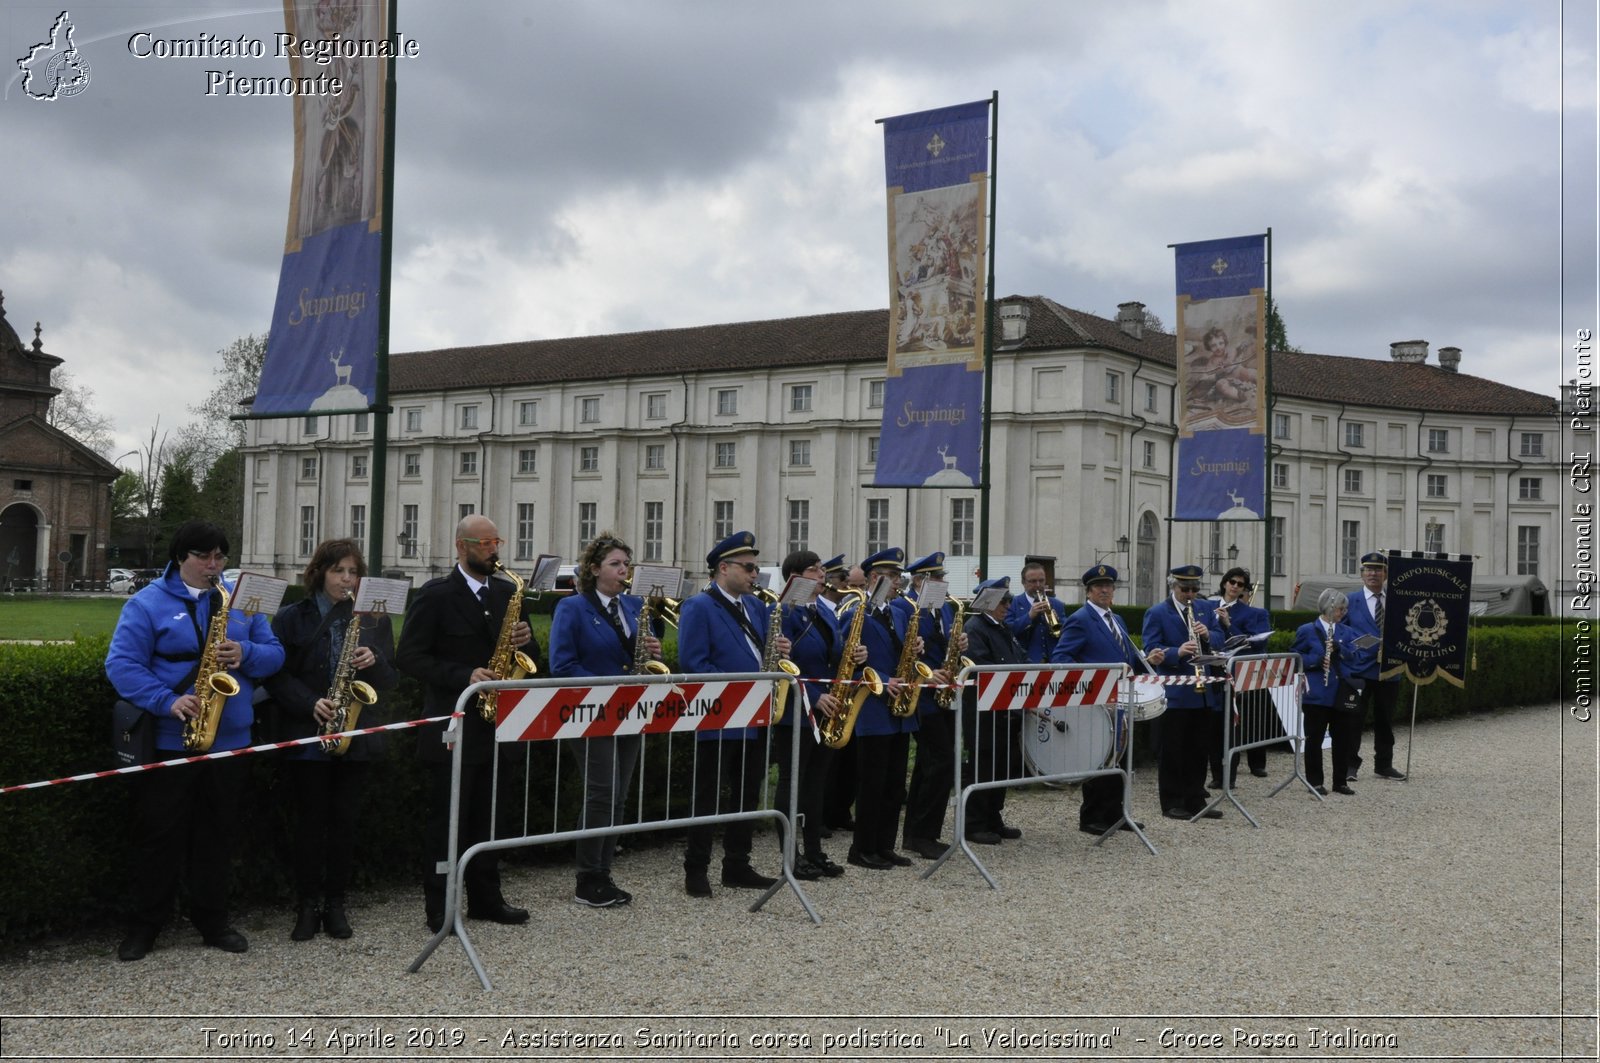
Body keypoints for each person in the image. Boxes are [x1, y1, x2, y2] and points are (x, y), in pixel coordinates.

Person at [105, 520, 285, 961]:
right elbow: (122, 664)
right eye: (204, 557)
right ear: (180, 559)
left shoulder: (239, 599)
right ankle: (146, 925)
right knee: (158, 837)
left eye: (220, 557)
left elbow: (276, 654)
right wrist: (167, 701)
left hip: (230, 740)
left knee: (218, 836)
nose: (214, 565)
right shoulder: (147, 603)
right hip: (171, 740)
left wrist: (247, 654)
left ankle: (213, 920)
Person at [396, 515, 537, 933]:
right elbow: (408, 657)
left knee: (488, 819)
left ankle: (486, 899)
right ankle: (439, 906)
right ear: (462, 546)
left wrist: (527, 642)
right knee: (447, 821)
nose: (495, 549)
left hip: (499, 727)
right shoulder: (436, 594)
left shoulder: (509, 591)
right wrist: (465, 675)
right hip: (455, 727)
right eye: (486, 542)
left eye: (497, 541)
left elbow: (534, 661)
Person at [265, 538, 398, 941]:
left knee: (344, 824)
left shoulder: (375, 620)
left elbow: (392, 681)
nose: (346, 579)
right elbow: (275, 675)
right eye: (338, 570)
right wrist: (310, 704)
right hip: (308, 734)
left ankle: (336, 904)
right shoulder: (292, 617)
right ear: (320, 573)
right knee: (308, 824)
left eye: (353, 572)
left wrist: (375, 660)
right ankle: (307, 906)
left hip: (355, 735)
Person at [548, 532, 663, 908]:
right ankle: (587, 876)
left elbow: (638, 655)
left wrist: (652, 649)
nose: (623, 571)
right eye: (615, 564)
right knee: (600, 791)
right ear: (594, 569)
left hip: (628, 711)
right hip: (590, 711)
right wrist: (606, 687)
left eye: (626, 564)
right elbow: (562, 665)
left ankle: (604, 871)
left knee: (619, 794)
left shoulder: (633, 606)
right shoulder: (572, 608)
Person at [677, 531, 787, 897]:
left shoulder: (755, 607)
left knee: (747, 792)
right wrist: (740, 688)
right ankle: (696, 868)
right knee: (707, 794)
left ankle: (737, 864)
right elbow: (694, 663)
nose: (755, 574)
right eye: (749, 567)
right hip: (719, 715)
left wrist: (778, 648)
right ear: (724, 569)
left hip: (755, 714)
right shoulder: (698, 606)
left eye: (756, 568)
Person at [1050, 564, 1163, 834]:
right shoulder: (1080, 619)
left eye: (1108, 586)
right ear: (1088, 591)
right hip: (1097, 701)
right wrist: (1096, 678)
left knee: (1119, 758)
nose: (1104, 590)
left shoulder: (1117, 619)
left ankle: (1117, 813)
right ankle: (1091, 817)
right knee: (1098, 758)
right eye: (1099, 586)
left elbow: (1125, 660)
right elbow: (1061, 659)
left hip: (1120, 700)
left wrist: (1146, 660)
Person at [771, 550, 857, 879]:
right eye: (813, 569)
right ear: (794, 577)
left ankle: (814, 851)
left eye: (822, 569)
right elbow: (783, 666)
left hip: (826, 708)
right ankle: (790, 857)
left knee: (816, 783)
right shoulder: (782, 610)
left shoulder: (823, 609)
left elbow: (831, 656)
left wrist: (854, 655)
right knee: (793, 782)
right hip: (797, 709)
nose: (822, 574)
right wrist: (815, 696)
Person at [841, 548, 920, 868]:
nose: (899, 582)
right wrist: (884, 680)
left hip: (900, 710)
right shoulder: (855, 613)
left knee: (894, 784)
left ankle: (885, 845)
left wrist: (916, 650)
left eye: (899, 576)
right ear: (875, 578)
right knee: (872, 783)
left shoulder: (900, 613)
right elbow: (846, 663)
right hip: (873, 708)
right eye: (893, 577)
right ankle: (862, 848)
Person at [1141, 564, 1224, 821]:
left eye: (1194, 589)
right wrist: (1177, 651)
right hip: (1175, 693)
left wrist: (1208, 633)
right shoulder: (1157, 612)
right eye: (1184, 589)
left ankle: (1195, 798)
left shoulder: (1205, 609)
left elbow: (1222, 637)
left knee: (1199, 749)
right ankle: (1172, 801)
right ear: (1173, 586)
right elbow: (1151, 648)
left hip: (1202, 693)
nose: (1190, 594)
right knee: (1173, 750)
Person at [899, 551, 968, 858]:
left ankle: (920, 833)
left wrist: (959, 644)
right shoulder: (908, 607)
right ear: (919, 581)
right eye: (936, 578)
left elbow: (944, 644)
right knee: (939, 761)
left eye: (942, 578)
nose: (942, 583)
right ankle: (922, 833)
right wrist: (925, 674)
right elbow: (902, 651)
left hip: (943, 692)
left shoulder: (944, 609)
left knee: (935, 765)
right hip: (922, 693)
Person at [960, 577, 1028, 843]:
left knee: (1001, 766)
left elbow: (1018, 657)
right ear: (986, 602)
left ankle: (993, 816)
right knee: (983, 765)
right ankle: (974, 823)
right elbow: (981, 665)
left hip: (1005, 708)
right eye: (1002, 601)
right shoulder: (975, 627)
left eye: (1008, 600)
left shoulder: (1002, 628)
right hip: (984, 710)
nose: (1007, 606)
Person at [1344, 552, 1407, 781]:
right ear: (1361, 574)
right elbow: (1338, 632)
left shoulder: (1398, 600)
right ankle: (1349, 766)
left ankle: (1384, 765)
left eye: (1378, 569)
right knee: (1353, 720)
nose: (1373, 573)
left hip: (1389, 670)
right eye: (1368, 569)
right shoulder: (1350, 601)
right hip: (1359, 670)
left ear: (1386, 574)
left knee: (1385, 721)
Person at [1209, 566, 1274, 785]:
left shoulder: (1254, 613)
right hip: (1210, 671)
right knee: (1212, 726)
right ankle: (1215, 773)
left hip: (1238, 674)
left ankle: (1228, 777)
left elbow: (1259, 644)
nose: (1235, 587)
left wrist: (1229, 625)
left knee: (1235, 726)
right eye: (1232, 582)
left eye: (1240, 585)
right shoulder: (1206, 606)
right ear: (1225, 583)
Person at [1293, 589, 1361, 795]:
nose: (1343, 612)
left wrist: (1341, 651)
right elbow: (1295, 656)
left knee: (1342, 738)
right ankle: (1315, 781)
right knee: (1314, 739)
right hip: (1316, 694)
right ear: (1329, 608)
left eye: (1344, 609)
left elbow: (1356, 658)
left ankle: (1340, 782)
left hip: (1340, 692)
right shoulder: (1307, 630)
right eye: (1341, 608)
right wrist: (1316, 661)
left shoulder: (1346, 632)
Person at [1006, 562, 1067, 663]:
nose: (1038, 585)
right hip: (1025, 662)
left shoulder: (1057, 604)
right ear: (1023, 582)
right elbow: (1007, 631)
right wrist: (1029, 617)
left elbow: (1067, 633)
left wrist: (1058, 622)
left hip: (1053, 661)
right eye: (1033, 581)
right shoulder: (1013, 603)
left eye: (1041, 581)